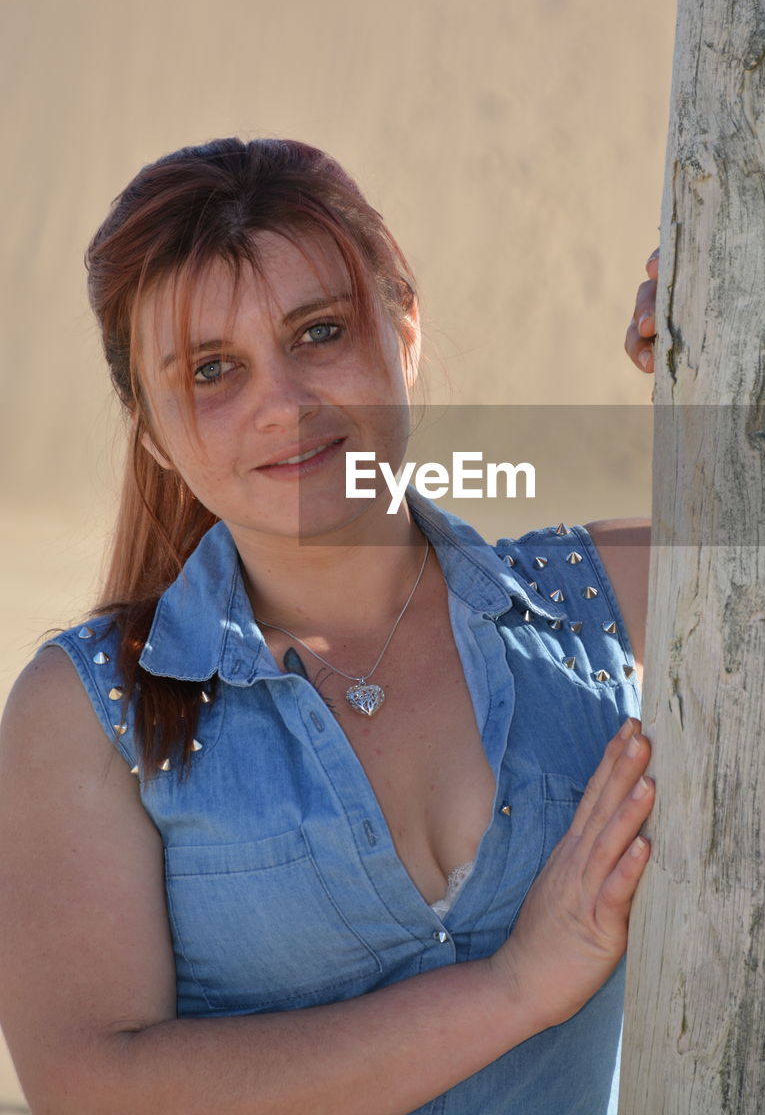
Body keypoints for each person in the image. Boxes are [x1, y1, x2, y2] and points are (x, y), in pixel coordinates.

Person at [0, 138, 658, 1115]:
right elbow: (92, 1083)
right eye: (214, 369)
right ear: (154, 435)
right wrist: (510, 987)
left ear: (404, 328)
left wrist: (741, 337)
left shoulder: (598, 596)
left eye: (318, 333)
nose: (284, 403)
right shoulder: (86, 709)